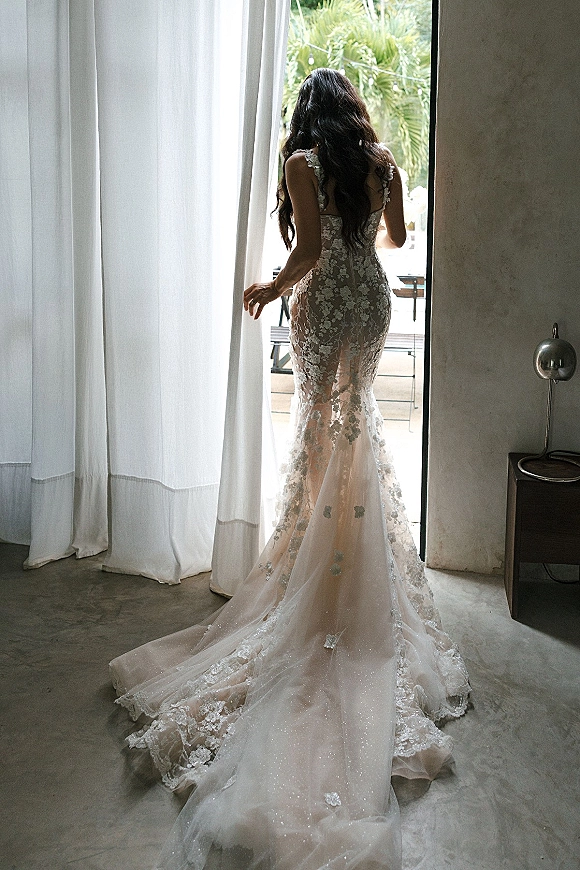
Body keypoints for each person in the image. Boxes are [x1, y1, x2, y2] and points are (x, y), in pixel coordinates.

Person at [110, 69, 470, 870]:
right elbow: (399, 243)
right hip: (372, 300)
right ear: (356, 112)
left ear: (307, 114)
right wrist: (389, 188)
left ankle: (316, 568)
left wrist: (274, 286)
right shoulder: (380, 160)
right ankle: (349, 570)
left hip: (326, 301)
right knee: (354, 430)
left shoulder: (303, 162)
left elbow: (307, 248)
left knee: (318, 437)